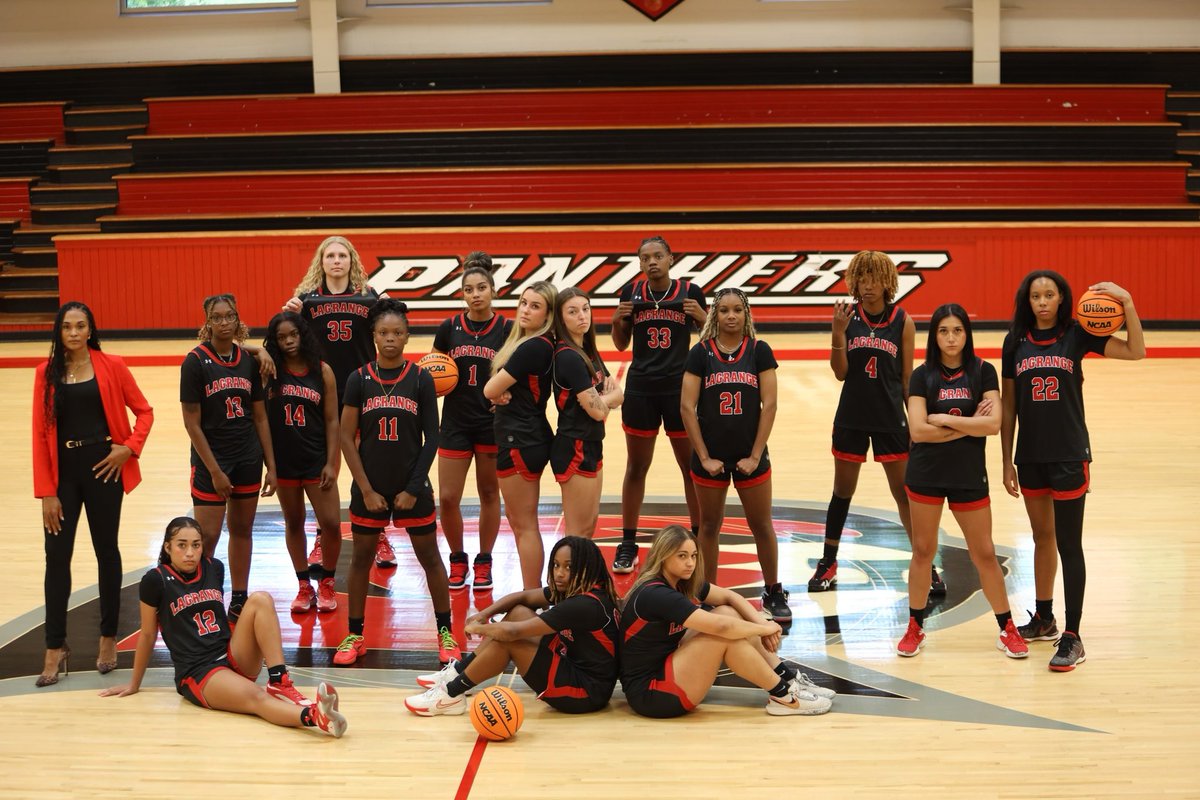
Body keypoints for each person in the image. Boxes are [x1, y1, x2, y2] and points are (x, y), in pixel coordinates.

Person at [1000, 272, 1144, 671]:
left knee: (1068, 543)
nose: (1043, 302)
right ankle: (1044, 618)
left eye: (1050, 294)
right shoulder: (1015, 341)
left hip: (1068, 455)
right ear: (1027, 301)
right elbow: (1009, 406)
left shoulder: (1077, 335)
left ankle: (1073, 636)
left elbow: (1136, 351)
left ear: (1062, 298)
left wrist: (1127, 303)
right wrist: (1006, 460)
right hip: (1030, 456)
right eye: (1036, 296)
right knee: (1041, 537)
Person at [100, 517, 347, 738]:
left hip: (231, 654)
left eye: (196, 545)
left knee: (261, 599)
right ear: (167, 547)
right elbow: (147, 634)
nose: (190, 553)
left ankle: (279, 680)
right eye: (181, 545)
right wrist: (134, 683)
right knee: (256, 698)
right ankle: (315, 717)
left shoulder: (213, 567)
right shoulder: (155, 581)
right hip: (199, 671)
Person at [32, 302, 154, 686]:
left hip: (104, 470)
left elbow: (145, 412)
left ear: (90, 330)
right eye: (67, 326)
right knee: (56, 557)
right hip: (63, 478)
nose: (73, 332)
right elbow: (39, 435)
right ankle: (55, 646)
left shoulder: (112, 365)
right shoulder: (45, 373)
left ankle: (108, 637)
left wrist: (128, 448)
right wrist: (46, 492)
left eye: (80, 326)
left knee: (106, 551)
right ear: (59, 331)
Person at [897, 304, 1028, 659]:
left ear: (967, 334)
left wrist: (943, 419)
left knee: (984, 552)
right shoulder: (921, 375)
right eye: (943, 331)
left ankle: (1007, 627)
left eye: (957, 330)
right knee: (923, 551)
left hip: (968, 475)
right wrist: (969, 424)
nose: (951, 338)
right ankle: (915, 626)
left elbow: (994, 424)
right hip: (926, 474)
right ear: (934, 336)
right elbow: (918, 431)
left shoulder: (983, 371)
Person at [334, 299, 460, 666]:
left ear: (407, 336)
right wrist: (366, 489)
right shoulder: (358, 379)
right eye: (384, 332)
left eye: (397, 332)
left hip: (411, 486)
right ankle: (355, 635)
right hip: (369, 487)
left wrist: (413, 487)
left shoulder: (420, 378)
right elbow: (345, 438)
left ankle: (445, 632)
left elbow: (433, 437)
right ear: (373, 336)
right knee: (360, 560)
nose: (390, 338)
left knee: (430, 559)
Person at [619, 525, 833, 718]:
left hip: (667, 668)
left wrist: (763, 625)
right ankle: (784, 696)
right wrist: (763, 628)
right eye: (682, 556)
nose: (690, 563)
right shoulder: (656, 593)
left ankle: (788, 680)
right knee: (723, 636)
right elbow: (722, 627)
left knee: (727, 612)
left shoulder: (680, 582)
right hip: (652, 694)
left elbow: (730, 597)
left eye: (693, 556)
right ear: (663, 556)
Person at [809, 251, 923, 594]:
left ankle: (925, 563)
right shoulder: (847, 317)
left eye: (874, 279)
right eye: (861, 278)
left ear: (888, 282)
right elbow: (840, 372)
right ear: (853, 282)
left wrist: (916, 424)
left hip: (890, 417)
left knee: (905, 495)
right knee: (842, 493)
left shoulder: (903, 321)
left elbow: (907, 379)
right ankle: (828, 563)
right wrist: (837, 333)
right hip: (852, 416)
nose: (868, 285)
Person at [404, 536, 619, 716]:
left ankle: (451, 694)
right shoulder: (581, 589)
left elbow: (513, 632)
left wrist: (477, 628)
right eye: (556, 565)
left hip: (587, 692)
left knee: (509, 641)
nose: (559, 573)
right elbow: (523, 597)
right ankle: (458, 672)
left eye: (568, 567)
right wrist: (485, 614)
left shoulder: (583, 605)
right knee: (518, 612)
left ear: (586, 568)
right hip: (575, 664)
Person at [680, 288, 791, 622]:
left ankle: (773, 590)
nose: (731, 316)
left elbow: (770, 405)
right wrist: (704, 456)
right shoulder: (701, 353)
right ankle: (708, 593)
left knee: (762, 524)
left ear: (746, 314)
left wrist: (755, 456)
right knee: (708, 526)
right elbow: (686, 407)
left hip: (749, 454)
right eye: (724, 310)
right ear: (715, 315)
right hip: (711, 455)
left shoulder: (759, 350)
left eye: (737, 310)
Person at [282, 236, 393, 570]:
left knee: (369, 464)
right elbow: (285, 339)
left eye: (342, 255)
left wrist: (389, 306)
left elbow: (393, 331)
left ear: (351, 261)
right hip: (321, 392)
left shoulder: (370, 297)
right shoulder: (306, 300)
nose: (336, 261)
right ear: (321, 261)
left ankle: (378, 533)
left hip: (362, 389)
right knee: (325, 467)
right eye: (330, 255)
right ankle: (322, 534)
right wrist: (289, 313)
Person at [610, 236, 707, 574]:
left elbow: (710, 338)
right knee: (636, 467)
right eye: (645, 257)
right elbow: (620, 344)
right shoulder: (630, 293)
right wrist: (617, 321)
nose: (651, 262)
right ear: (639, 263)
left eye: (657, 256)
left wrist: (703, 316)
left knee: (690, 467)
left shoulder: (690, 292)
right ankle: (627, 542)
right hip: (641, 389)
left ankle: (698, 538)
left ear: (670, 259)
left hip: (679, 390)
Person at [180, 294, 276, 623]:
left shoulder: (248, 361)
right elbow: (191, 423)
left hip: (247, 457)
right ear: (207, 322)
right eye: (217, 317)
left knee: (242, 529)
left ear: (238, 319)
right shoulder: (195, 362)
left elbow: (260, 417)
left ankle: (238, 597)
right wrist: (215, 471)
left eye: (230, 316)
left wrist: (271, 465)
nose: (224, 322)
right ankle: (203, 596)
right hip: (212, 461)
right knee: (207, 537)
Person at [430, 252, 512, 592]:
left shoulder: (507, 329)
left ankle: (484, 560)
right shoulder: (448, 328)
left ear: (493, 290)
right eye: (468, 289)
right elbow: (434, 372)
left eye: (481, 288)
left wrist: (508, 396)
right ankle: (457, 558)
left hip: (491, 424)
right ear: (462, 293)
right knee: (448, 497)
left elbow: (517, 373)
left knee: (489, 493)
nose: (475, 294)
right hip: (455, 423)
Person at [263, 312, 342, 614]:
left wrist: (332, 462)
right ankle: (304, 585)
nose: (289, 341)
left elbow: (332, 420)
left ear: (303, 334)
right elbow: (236, 349)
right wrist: (259, 351)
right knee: (293, 521)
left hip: (315, 459)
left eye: (293, 335)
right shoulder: (269, 371)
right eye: (281, 337)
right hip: (284, 460)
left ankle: (327, 582)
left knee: (331, 523)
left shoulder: (322, 371)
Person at [483, 282, 558, 590]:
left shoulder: (534, 346)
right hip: (527, 435)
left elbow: (489, 389)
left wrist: (495, 393)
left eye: (535, 306)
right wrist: (498, 395)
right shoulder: (533, 343)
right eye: (524, 303)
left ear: (548, 315)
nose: (525, 310)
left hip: (520, 440)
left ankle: (531, 595)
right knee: (520, 523)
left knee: (524, 525)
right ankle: (532, 592)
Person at [551, 288, 623, 538]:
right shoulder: (569, 356)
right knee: (577, 532)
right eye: (572, 312)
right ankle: (566, 567)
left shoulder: (588, 350)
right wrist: (607, 401)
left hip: (592, 442)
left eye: (585, 309)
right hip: (574, 445)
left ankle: (582, 566)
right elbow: (598, 411)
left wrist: (605, 401)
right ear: (561, 319)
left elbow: (617, 393)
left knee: (589, 526)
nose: (582, 316)